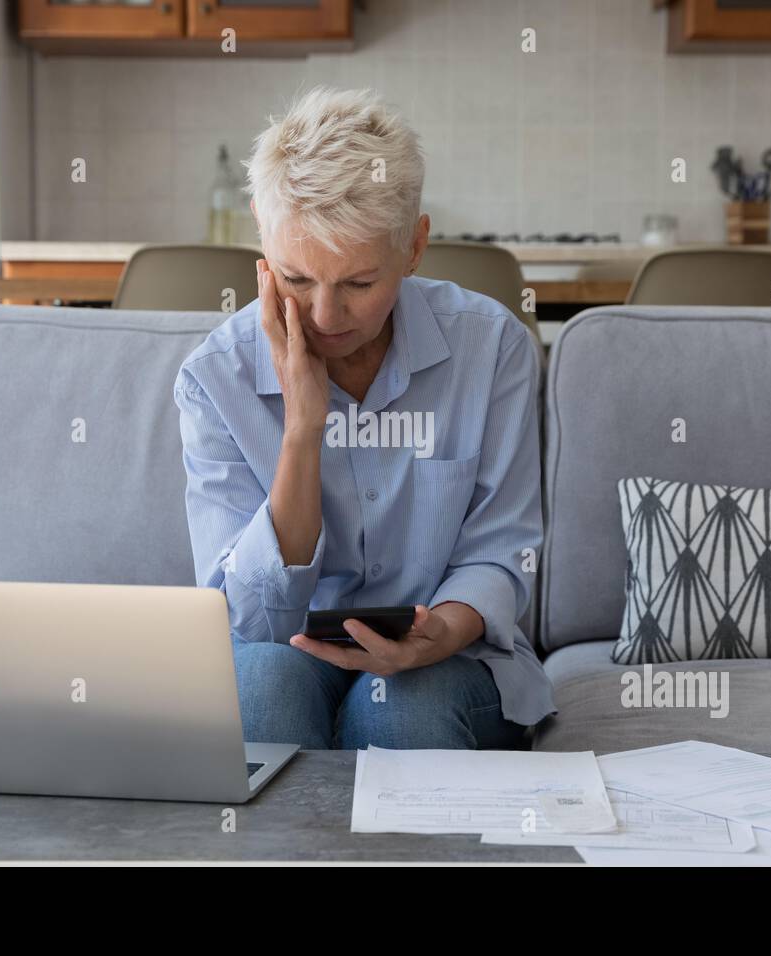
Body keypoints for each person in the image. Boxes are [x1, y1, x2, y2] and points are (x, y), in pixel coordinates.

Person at [173, 86, 556, 750]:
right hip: (284, 649)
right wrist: (302, 428)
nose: (325, 318)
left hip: (449, 659)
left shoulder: (491, 349)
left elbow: (503, 546)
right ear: (263, 247)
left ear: (414, 247)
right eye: (296, 279)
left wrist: (444, 630)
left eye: (357, 284)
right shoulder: (215, 378)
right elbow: (248, 620)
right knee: (264, 685)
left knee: (398, 710)